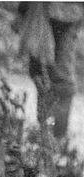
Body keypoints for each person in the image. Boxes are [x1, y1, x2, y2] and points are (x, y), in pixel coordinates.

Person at [17, 2, 84, 139]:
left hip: (63, 11)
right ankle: (46, 138)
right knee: (40, 72)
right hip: (45, 10)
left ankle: (56, 139)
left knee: (59, 76)